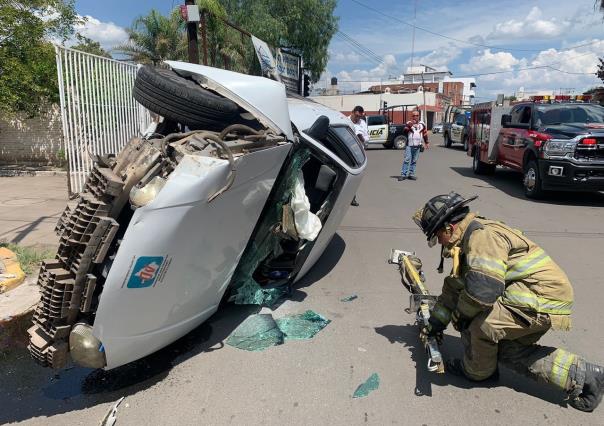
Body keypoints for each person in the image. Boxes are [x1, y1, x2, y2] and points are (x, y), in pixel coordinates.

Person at [413, 192, 603, 413]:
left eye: (437, 237)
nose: (440, 243)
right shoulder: (469, 238)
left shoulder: (481, 238)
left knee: (480, 325)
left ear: (449, 228)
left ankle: (477, 373)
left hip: (539, 299)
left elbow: (482, 292)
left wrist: (459, 317)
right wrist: (436, 322)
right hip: (540, 298)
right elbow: (455, 288)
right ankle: (587, 375)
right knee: (508, 352)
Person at [399, 109, 429, 181]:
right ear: (412, 116)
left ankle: (411, 174)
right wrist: (410, 125)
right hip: (409, 145)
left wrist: (427, 142)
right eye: (414, 115)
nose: (415, 117)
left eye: (417, 115)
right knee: (407, 159)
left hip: (418, 145)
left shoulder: (422, 124)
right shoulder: (409, 123)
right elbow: (404, 131)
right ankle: (403, 174)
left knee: (414, 160)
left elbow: (425, 133)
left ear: (419, 116)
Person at [349, 105, 368, 207]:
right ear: (352, 112)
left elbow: (367, 138)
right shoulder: (345, 121)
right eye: (356, 116)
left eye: (359, 117)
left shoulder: (363, 123)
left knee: (356, 176)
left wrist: (362, 138)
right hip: (347, 152)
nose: (357, 119)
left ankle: (352, 197)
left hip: (358, 153)